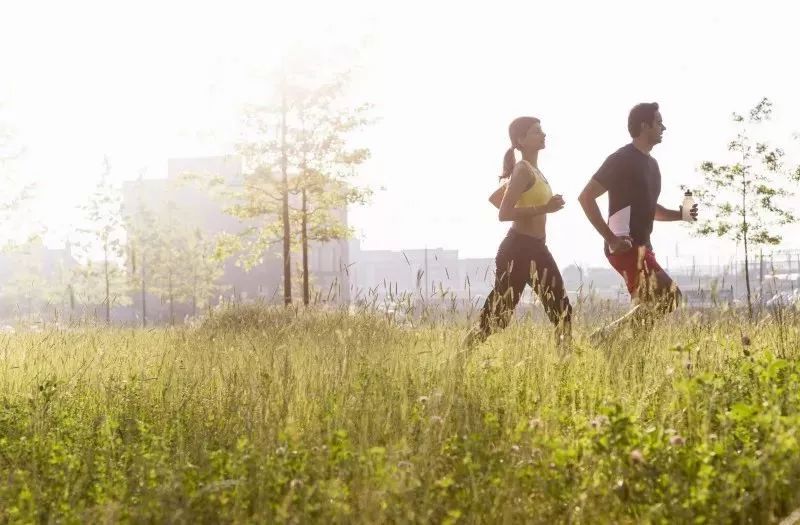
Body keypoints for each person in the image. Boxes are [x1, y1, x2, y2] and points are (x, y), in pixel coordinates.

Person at [577, 102, 697, 339]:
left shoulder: (652, 165)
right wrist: (611, 239)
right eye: (659, 122)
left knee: (647, 308)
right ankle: (605, 338)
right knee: (670, 295)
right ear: (645, 125)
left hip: (644, 247)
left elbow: (650, 210)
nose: (664, 127)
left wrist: (680, 215)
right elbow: (586, 197)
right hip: (625, 246)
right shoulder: (621, 159)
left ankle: (623, 351)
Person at [465, 116, 572, 349]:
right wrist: (545, 208)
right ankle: (458, 360)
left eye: (542, 131)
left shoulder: (531, 171)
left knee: (562, 310)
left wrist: (542, 206)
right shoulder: (523, 169)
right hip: (518, 250)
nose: (543, 135)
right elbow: (503, 213)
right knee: (496, 318)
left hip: (537, 248)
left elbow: (496, 198)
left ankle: (565, 367)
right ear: (521, 140)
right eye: (536, 132)